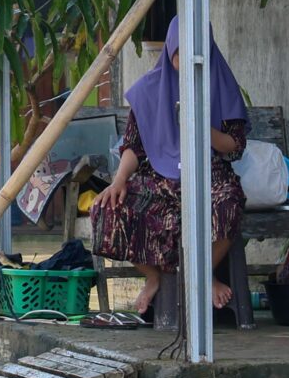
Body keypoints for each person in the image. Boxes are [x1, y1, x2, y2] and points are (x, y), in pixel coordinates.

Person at [90, 17, 250, 314]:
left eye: (194, 52)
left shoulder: (220, 83)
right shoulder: (150, 89)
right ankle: (153, 278)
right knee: (107, 208)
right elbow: (133, 146)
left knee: (228, 204)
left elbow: (236, 146)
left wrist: (202, 126)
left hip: (209, 174)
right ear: (169, 50)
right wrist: (119, 180)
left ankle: (202, 275)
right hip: (158, 177)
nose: (187, 60)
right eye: (180, 52)